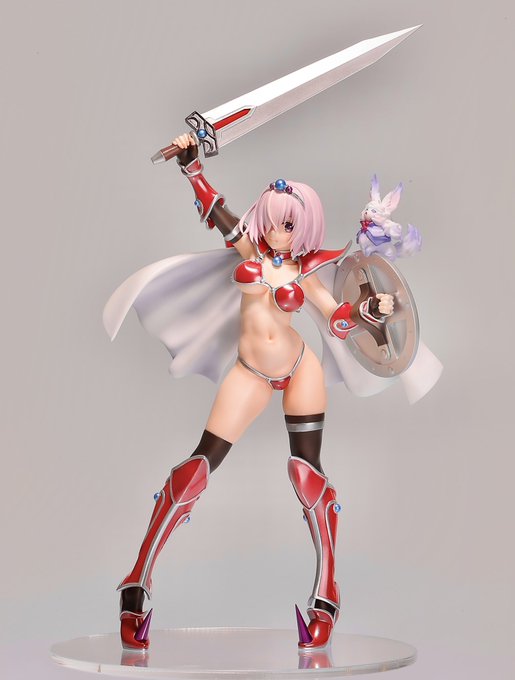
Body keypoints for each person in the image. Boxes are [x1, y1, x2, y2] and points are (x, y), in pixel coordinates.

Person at [103, 134, 435, 652]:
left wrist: (370, 310)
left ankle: (327, 594)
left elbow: (336, 319)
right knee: (193, 471)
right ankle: (136, 582)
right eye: (276, 221)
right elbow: (218, 212)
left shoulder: (306, 271)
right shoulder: (249, 251)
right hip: (251, 373)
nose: (280, 231)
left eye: (290, 225)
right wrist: (191, 167)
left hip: (300, 369)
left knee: (308, 477)